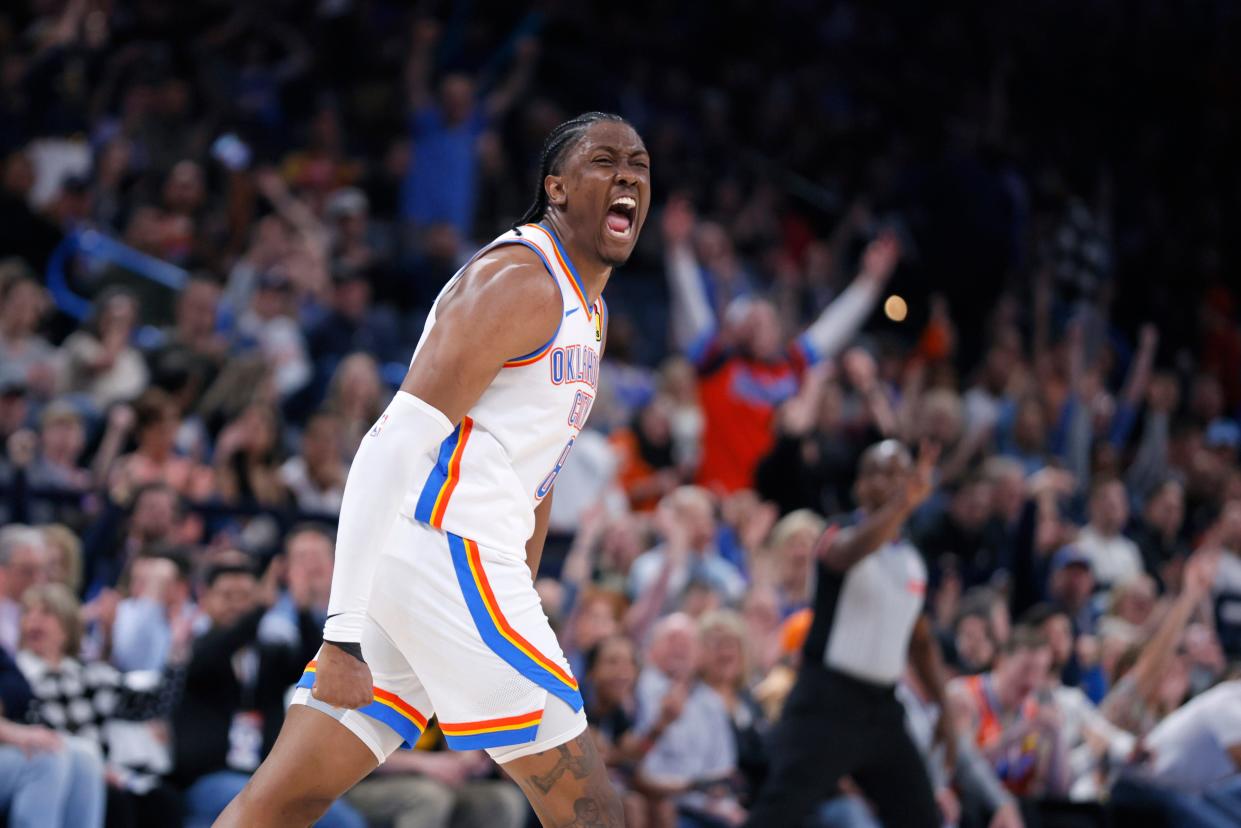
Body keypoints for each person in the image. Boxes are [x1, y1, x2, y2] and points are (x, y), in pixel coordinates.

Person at [219, 112, 651, 827]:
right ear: (557, 188)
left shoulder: (590, 308)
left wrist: (527, 595)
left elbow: (535, 478)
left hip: (440, 565)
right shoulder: (519, 281)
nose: (628, 174)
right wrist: (340, 633)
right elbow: (386, 448)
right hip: (447, 549)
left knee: (281, 803)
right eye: (604, 161)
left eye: (637, 163)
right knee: (593, 811)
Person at [743, 439, 950, 827]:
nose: (887, 482)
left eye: (897, 473)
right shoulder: (837, 533)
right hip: (828, 702)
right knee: (779, 812)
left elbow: (919, 641)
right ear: (859, 486)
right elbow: (848, 555)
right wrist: (902, 504)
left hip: (883, 709)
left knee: (921, 816)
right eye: (876, 471)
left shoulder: (910, 558)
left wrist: (947, 711)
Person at [663, 197, 901, 493]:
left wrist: (870, 282)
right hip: (716, 495)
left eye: (767, 320)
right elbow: (691, 304)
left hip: (770, 498)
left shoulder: (791, 364)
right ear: (736, 329)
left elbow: (835, 327)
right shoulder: (716, 360)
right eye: (752, 320)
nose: (760, 325)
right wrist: (677, 251)